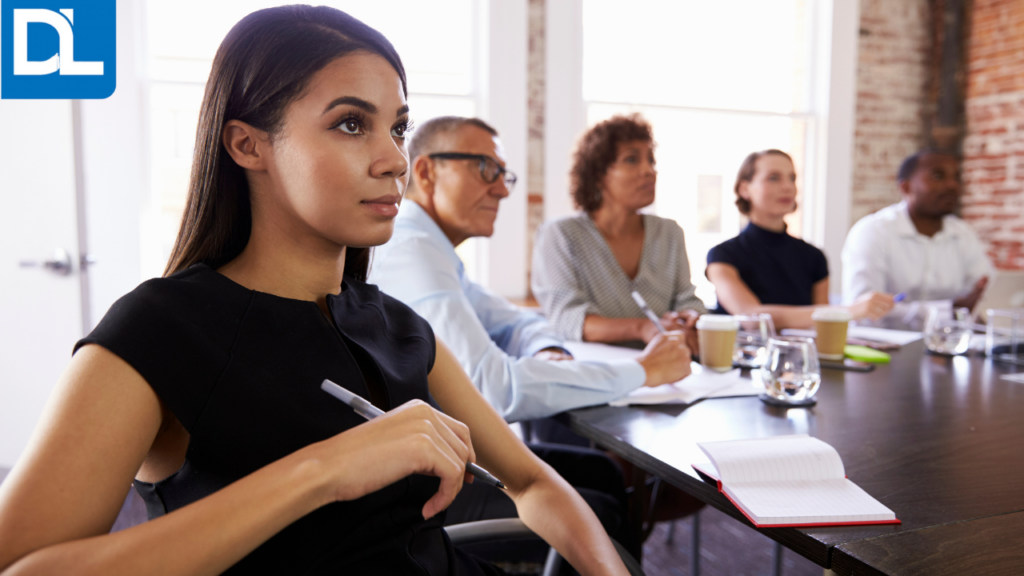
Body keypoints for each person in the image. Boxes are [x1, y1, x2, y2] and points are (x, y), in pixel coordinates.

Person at [0, 7, 632, 576]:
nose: (393, 160)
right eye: (352, 123)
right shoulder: (162, 329)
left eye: (398, 128)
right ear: (248, 144)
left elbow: (532, 483)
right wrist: (323, 470)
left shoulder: (404, 329)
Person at [370, 116, 692, 423]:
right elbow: (494, 390)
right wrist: (644, 370)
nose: (502, 190)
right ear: (426, 172)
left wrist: (547, 348)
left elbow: (515, 321)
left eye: (503, 175)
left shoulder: (432, 250)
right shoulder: (412, 251)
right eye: (486, 169)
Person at [532, 114, 707, 352]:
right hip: (594, 373)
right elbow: (566, 319)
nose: (649, 171)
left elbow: (687, 298)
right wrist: (642, 328)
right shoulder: (561, 234)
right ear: (598, 175)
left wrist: (691, 316)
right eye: (632, 160)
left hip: (669, 370)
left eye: (651, 160)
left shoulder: (669, 233)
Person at [706, 149, 894, 330]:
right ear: (744, 189)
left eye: (792, 178)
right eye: (773, 178)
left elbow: (823, 327)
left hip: (802, 359)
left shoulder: (813, 256)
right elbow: (750, 318)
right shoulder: (722, 255)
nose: (787, 187)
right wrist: (848, 311)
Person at [842, 149, 991, 327]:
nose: (952, 185)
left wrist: (977, 299)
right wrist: (951, 310)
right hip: (886, 348)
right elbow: (863, 312)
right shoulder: (873, 231)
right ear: (905, 187)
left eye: (956, 177)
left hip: (949, 345)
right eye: (938, 176)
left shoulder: (963, 233)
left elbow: (985, 295)